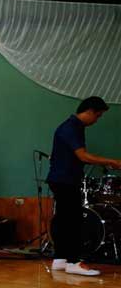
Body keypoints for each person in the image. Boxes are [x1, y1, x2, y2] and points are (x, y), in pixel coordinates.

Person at [47, 96, 121, 276]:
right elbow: (83, 156)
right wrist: (110, 161)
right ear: (89, 111)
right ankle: (73, 262)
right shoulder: (71, 128)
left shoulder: (73, 127)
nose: (97, 120)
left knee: (64, 219)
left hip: (61, 179)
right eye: (98, 116)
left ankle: (61, 259)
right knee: (73, 220)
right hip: (65, 180)